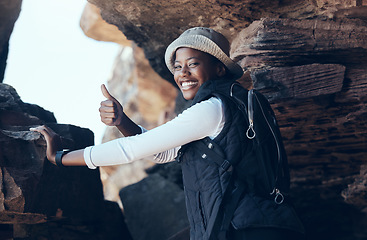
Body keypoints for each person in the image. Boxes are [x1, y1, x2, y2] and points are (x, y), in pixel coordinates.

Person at [31, 27, 304, 240]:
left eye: (193, 64)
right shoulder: (233, 104)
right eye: (177, 66)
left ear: (219, 68)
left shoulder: (211, 109)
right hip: (263, 224)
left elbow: (131, 151)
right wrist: (123, 121)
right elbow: (162, 152)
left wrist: (60, 157)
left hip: (247, 230)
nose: (182, 73)